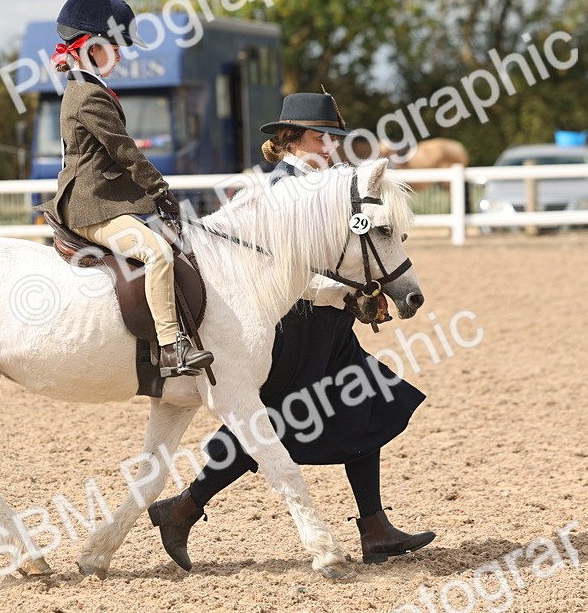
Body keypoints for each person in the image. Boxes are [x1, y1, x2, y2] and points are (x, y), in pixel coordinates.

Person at [148, 92, 435, 568]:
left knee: (366, 403)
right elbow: (284, 274)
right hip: (292, 327)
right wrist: (346, 294)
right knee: (271, 424)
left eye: (332, 137)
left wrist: (359, 295)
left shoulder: (328, 187)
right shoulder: (272, 190)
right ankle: (183, 507)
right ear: (290, 139)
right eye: (321, 136)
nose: (330, 145)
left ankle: (374, 526)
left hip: (330, 329)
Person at [37, 0, 212, 377]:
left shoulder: (87, 89)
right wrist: (160, 189)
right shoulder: (87, 96)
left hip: (106, 199)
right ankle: (171, 347)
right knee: (158, 254)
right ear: (93, 47)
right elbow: (125, 152)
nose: (120, 55)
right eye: (115, 47)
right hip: (92, 206)